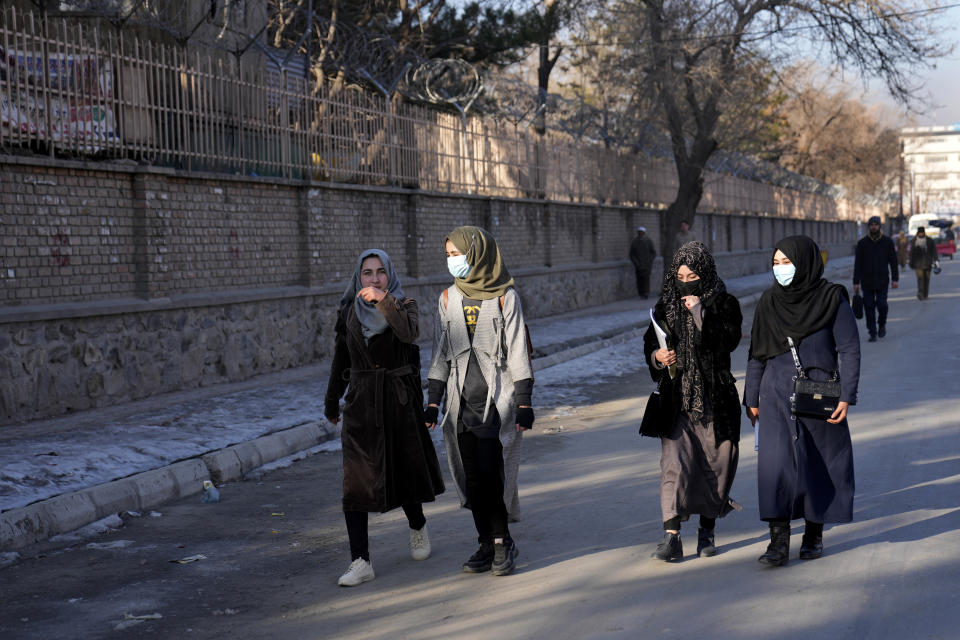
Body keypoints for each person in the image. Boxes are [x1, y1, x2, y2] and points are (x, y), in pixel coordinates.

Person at [325, 249, 445, 587]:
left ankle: (418, 525)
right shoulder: (348, 312)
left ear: (389, 275)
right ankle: (360, 560)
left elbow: (408, 334)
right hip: (361, 403)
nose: (373, 279)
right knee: (355, 482)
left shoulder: (405, 306)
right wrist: (332, 402)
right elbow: (340, 359)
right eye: (367, 273)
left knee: (403, 474)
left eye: (380, 272)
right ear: (358, 277)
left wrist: (383, 301)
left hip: (397, 402)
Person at [744, 236, 860, 567]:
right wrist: (751, 396)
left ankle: (814, 535)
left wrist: (848, 396)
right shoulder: (768, 302)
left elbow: (850, 349)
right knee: (776, 468)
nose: (780, 269)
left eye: (787, 263)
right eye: (776, 263)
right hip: (775, 395)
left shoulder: (831, 299)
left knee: (818, 464)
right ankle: (778, 542)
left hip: (819, 394)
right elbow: (757, 353)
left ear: (805, 262)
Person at [426, 226, 534, 577]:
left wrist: (523, 401)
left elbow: (517, 350)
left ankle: (502, 542)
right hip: (459, 403)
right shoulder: (446, 300)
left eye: (457, 254)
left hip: (495, 400)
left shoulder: (505, 297)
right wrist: (433, 400)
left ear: (477, 254)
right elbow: (440, 353)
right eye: (448, 255)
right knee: (471, 478)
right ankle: (485, 543)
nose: (452, 261)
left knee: (491, 473)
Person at [642, 241, 743, 562]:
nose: (686, 281)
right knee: (674, 466)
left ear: (705, 274)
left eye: (692, 275)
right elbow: (650, 343)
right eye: (681, 275)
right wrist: (658, 356)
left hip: (715, 399)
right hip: (677, 399)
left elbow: (728, 341)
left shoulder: (724, 303)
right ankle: (671, 536)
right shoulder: (664, 306)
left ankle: (707, 529)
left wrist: (701, 312)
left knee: (716, 464)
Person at [853, 216, 898, 342]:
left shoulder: (887, 242)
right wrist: (856, 282)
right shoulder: (862, 244)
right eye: (871, 225)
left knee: (882, 305)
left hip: (883, 280)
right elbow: (858, 264)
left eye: (876, 224)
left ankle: (882, 324)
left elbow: (893, 262)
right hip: (866, 282)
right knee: (869, 307)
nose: (874, 227)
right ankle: (872, 332)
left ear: (879, 226)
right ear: (869, 227)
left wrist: (895, 279)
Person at [908, 226, 938, 300]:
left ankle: (925, 294)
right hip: (918, 264)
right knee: (920, 279)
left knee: (926, 279)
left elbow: (934, 251)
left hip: (928, 263)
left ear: (924, 232)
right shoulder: (914, 241)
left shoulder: (929, 241)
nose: (921, 234)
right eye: (920, 232)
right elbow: (911, 253)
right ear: (918, 233)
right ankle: (920, 293)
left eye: (922, 232)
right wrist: (910, 262)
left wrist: (936, 260)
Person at [629, 226, 657, 298]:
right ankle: (641, 293)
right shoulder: (635, 242)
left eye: (642, 233)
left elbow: (653, 253)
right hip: (638, 264)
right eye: (639, 233)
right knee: (639, 279)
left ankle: (646, 292)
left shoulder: (648, 241)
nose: (641, 234)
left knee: (646, 279)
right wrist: (636, 262)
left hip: (647, 264)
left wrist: (649, 261)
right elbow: (631, 254)